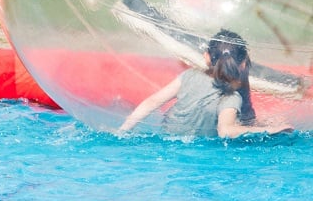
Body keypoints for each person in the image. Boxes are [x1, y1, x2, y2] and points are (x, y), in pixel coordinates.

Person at [119, 29, 293, 139]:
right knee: (260, 123)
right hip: (198, 152)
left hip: (166, 140)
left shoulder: (189, 75)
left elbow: (152, 102)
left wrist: (123, 130)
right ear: (243, 64)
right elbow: (225, 131)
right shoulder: (231, 97)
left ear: (206, 56)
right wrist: (270, 129)